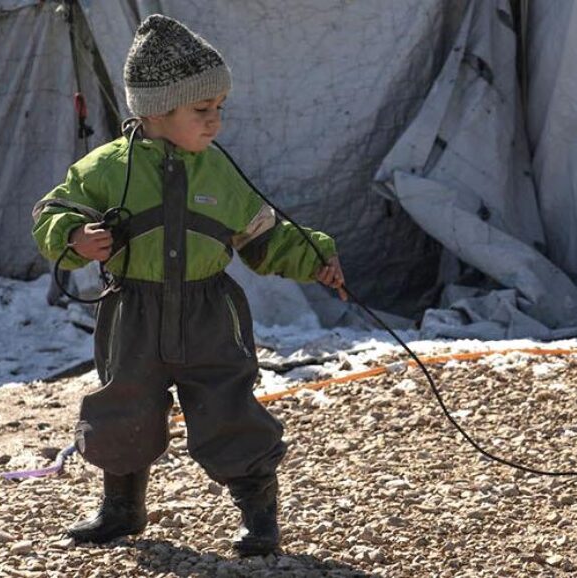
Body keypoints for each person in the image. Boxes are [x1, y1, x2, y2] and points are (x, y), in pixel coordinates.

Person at [31, 14, 345, 556]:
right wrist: (74, 236)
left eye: (219, 107)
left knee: (228, 408)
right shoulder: (105, 169)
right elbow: (52, 212)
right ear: (155, 110)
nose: (215, 120)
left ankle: (259, 514)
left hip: (209, 314)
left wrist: (314, 257)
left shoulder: (219, 172)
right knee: (123, 408)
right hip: (132, 313)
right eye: (202, 109)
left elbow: (264, 235)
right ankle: (121, 508)